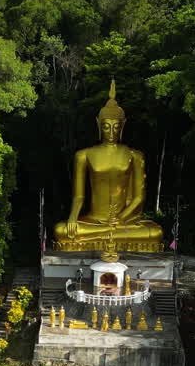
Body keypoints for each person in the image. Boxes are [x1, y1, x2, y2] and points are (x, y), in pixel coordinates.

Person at [52, 81, 164, 251]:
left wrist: (120, 219)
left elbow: (138, 198)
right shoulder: (84, 155)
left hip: (124, 221)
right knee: (61, 230)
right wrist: (73, 218)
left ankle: (103, 236)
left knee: (156, 232)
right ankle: (107, 234)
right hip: (93, 220)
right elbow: (79, 197)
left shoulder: (135, 156)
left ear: (123, 126)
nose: (111, 132)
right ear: (98, 124)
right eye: (106, 127)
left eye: (116, 127)